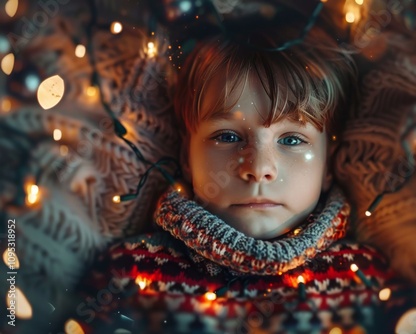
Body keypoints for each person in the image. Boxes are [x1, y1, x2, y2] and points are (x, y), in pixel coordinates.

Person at [68, 15, 393, 334]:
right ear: (187, 157)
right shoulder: (128, 276)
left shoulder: (368, 281)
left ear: (327, 165)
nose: (258, 169)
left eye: (291, 139)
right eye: (227, 136)